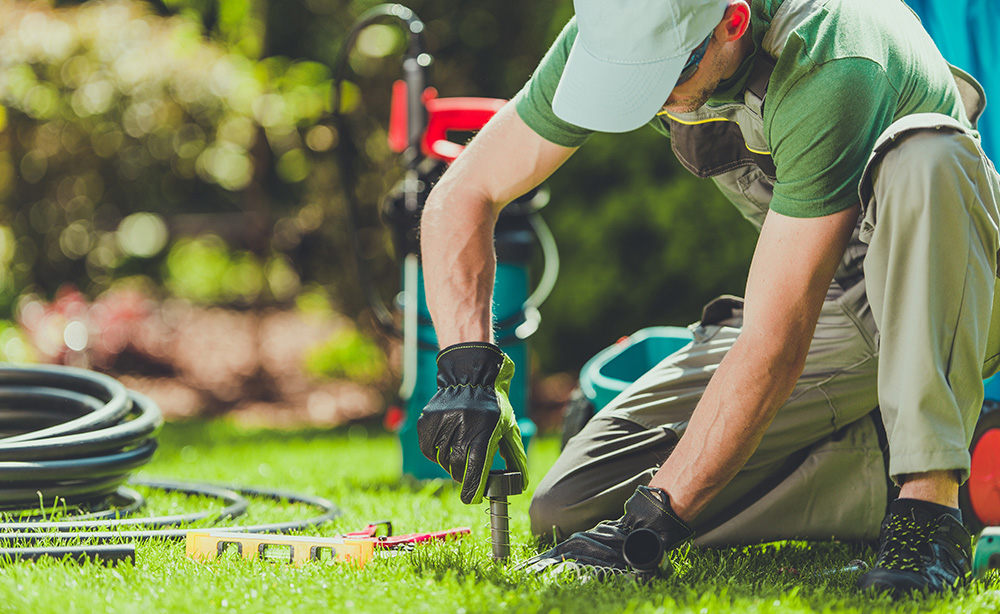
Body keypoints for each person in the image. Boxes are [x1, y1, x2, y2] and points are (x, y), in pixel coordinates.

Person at [415, 0, 1000, 596]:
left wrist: (654, 520)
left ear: (734, 21)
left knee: (929, 152)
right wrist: (466, 371)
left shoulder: (831, 56)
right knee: (570, 507)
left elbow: (774, 343)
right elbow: (465, 192)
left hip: (949, 296)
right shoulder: (620, 33)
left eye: (664, 77)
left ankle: (930, 506)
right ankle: (929, 457)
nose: (653, 100)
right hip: (829, 307)